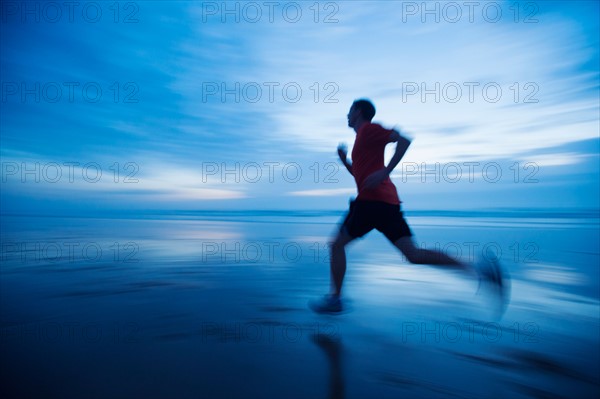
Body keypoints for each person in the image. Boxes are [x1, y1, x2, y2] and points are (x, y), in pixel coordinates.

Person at [310, 99, 507, 314]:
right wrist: (345, 161)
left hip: (370, 203)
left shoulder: (368, 130)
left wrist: (386, 172)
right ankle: (481, 271)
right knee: (413, 255)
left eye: (349, 111)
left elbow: (404, 140)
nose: (347, 115)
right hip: (386, 204)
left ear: (358, 112)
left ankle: (335, 299)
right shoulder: (361, 139)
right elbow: (361, 175)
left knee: (336, 245)